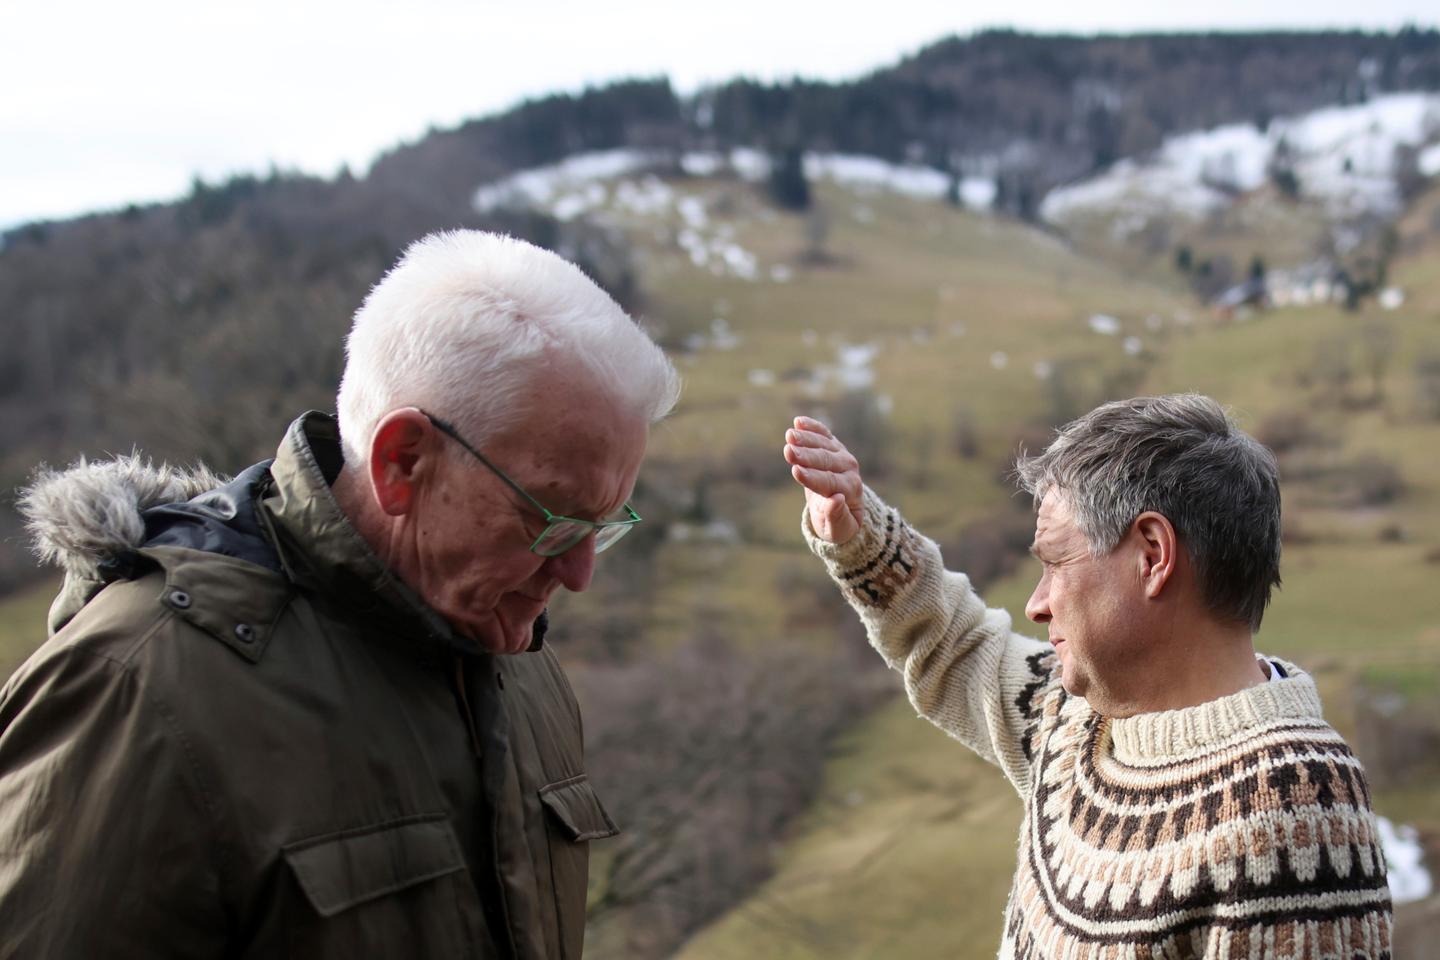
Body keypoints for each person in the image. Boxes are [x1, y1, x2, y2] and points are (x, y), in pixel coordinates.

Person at [0, 230, 680, 959]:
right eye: (549, 517)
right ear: (402, 461)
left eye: (602, 527)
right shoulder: (138, 690)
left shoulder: (523, 667)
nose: (579, 574)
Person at [784, 395, 1392, 959]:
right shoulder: (1082, 720)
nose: (1037, 602)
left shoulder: (1297, 813)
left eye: (1056, 562)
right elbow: (957, 649)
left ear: (1153, 556)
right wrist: (858, 538)